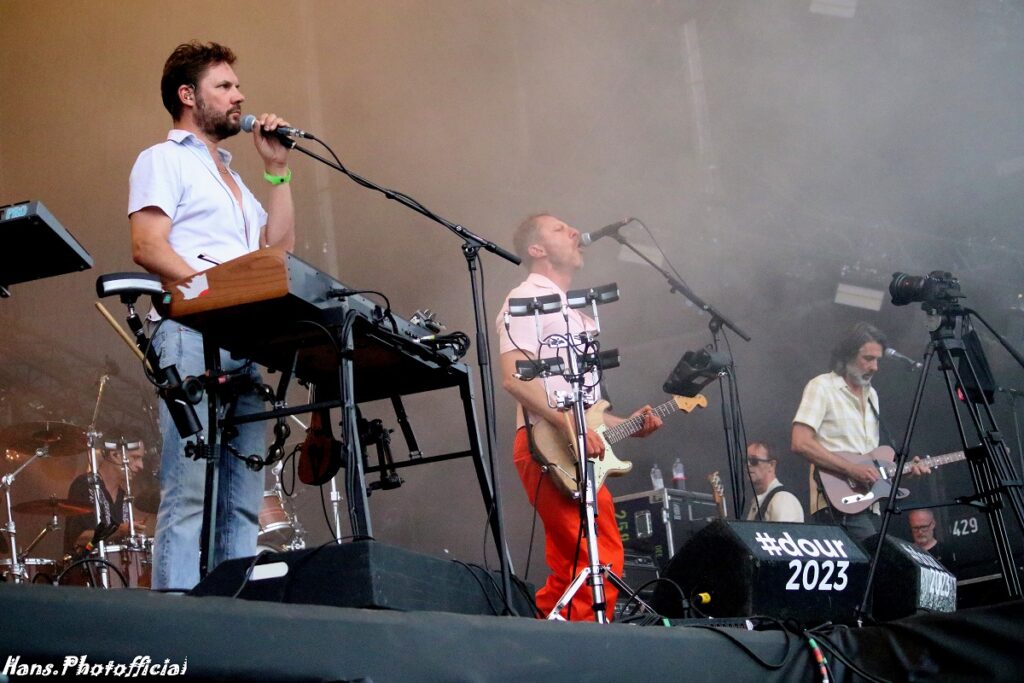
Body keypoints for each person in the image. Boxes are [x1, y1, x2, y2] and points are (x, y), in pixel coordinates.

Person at [129, 41, 296, 590]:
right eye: (224, 86)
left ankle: (231, 615)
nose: (239, 96)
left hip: (243, 343)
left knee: (243, 502)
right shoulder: (163, 159)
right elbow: (148, 245)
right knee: (189, 493)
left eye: (237, 86)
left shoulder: (236, 181)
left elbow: (279, 253)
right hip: (190, 334)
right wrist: (211, 298)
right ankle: (177, 623)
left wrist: (277, 171)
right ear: (187, 95)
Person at [496, 214, 663, 621]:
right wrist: (567, 425)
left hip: (575, 445)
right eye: (559, 228)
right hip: (547, 443)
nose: (574, 231)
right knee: (594, 558)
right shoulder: (525, 299)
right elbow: (515, 379)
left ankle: (548, 640)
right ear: (536, 249)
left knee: (581, 562)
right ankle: (584, 645)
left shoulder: (577, 312)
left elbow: (587, 410)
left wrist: (626, 424)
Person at [791, 322, 929, 542]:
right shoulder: (822, 387)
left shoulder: (872, 395)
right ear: (847, 356)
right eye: (868, 359)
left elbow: (871, 462)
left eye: (877, 360)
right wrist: (851, 469)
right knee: (878, 559)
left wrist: (905, 471)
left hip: (870, 504)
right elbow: (800, 442)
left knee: (875, 559)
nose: (875, 367)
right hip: (835, 503)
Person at [63, 442, 148, 556]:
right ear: (115, 455)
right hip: (86, 565)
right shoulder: (85, 485)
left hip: (115, 565)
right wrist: (118, 531)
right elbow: (78, 539)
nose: (141, 465)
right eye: (135, 457)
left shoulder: (123, 496)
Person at [744, 442, 804, 522]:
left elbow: (783, 530)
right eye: (745, 461)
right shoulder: (757, 501)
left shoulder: (783, 500)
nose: (748, 465)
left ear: (771, 465)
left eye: (754, 461)